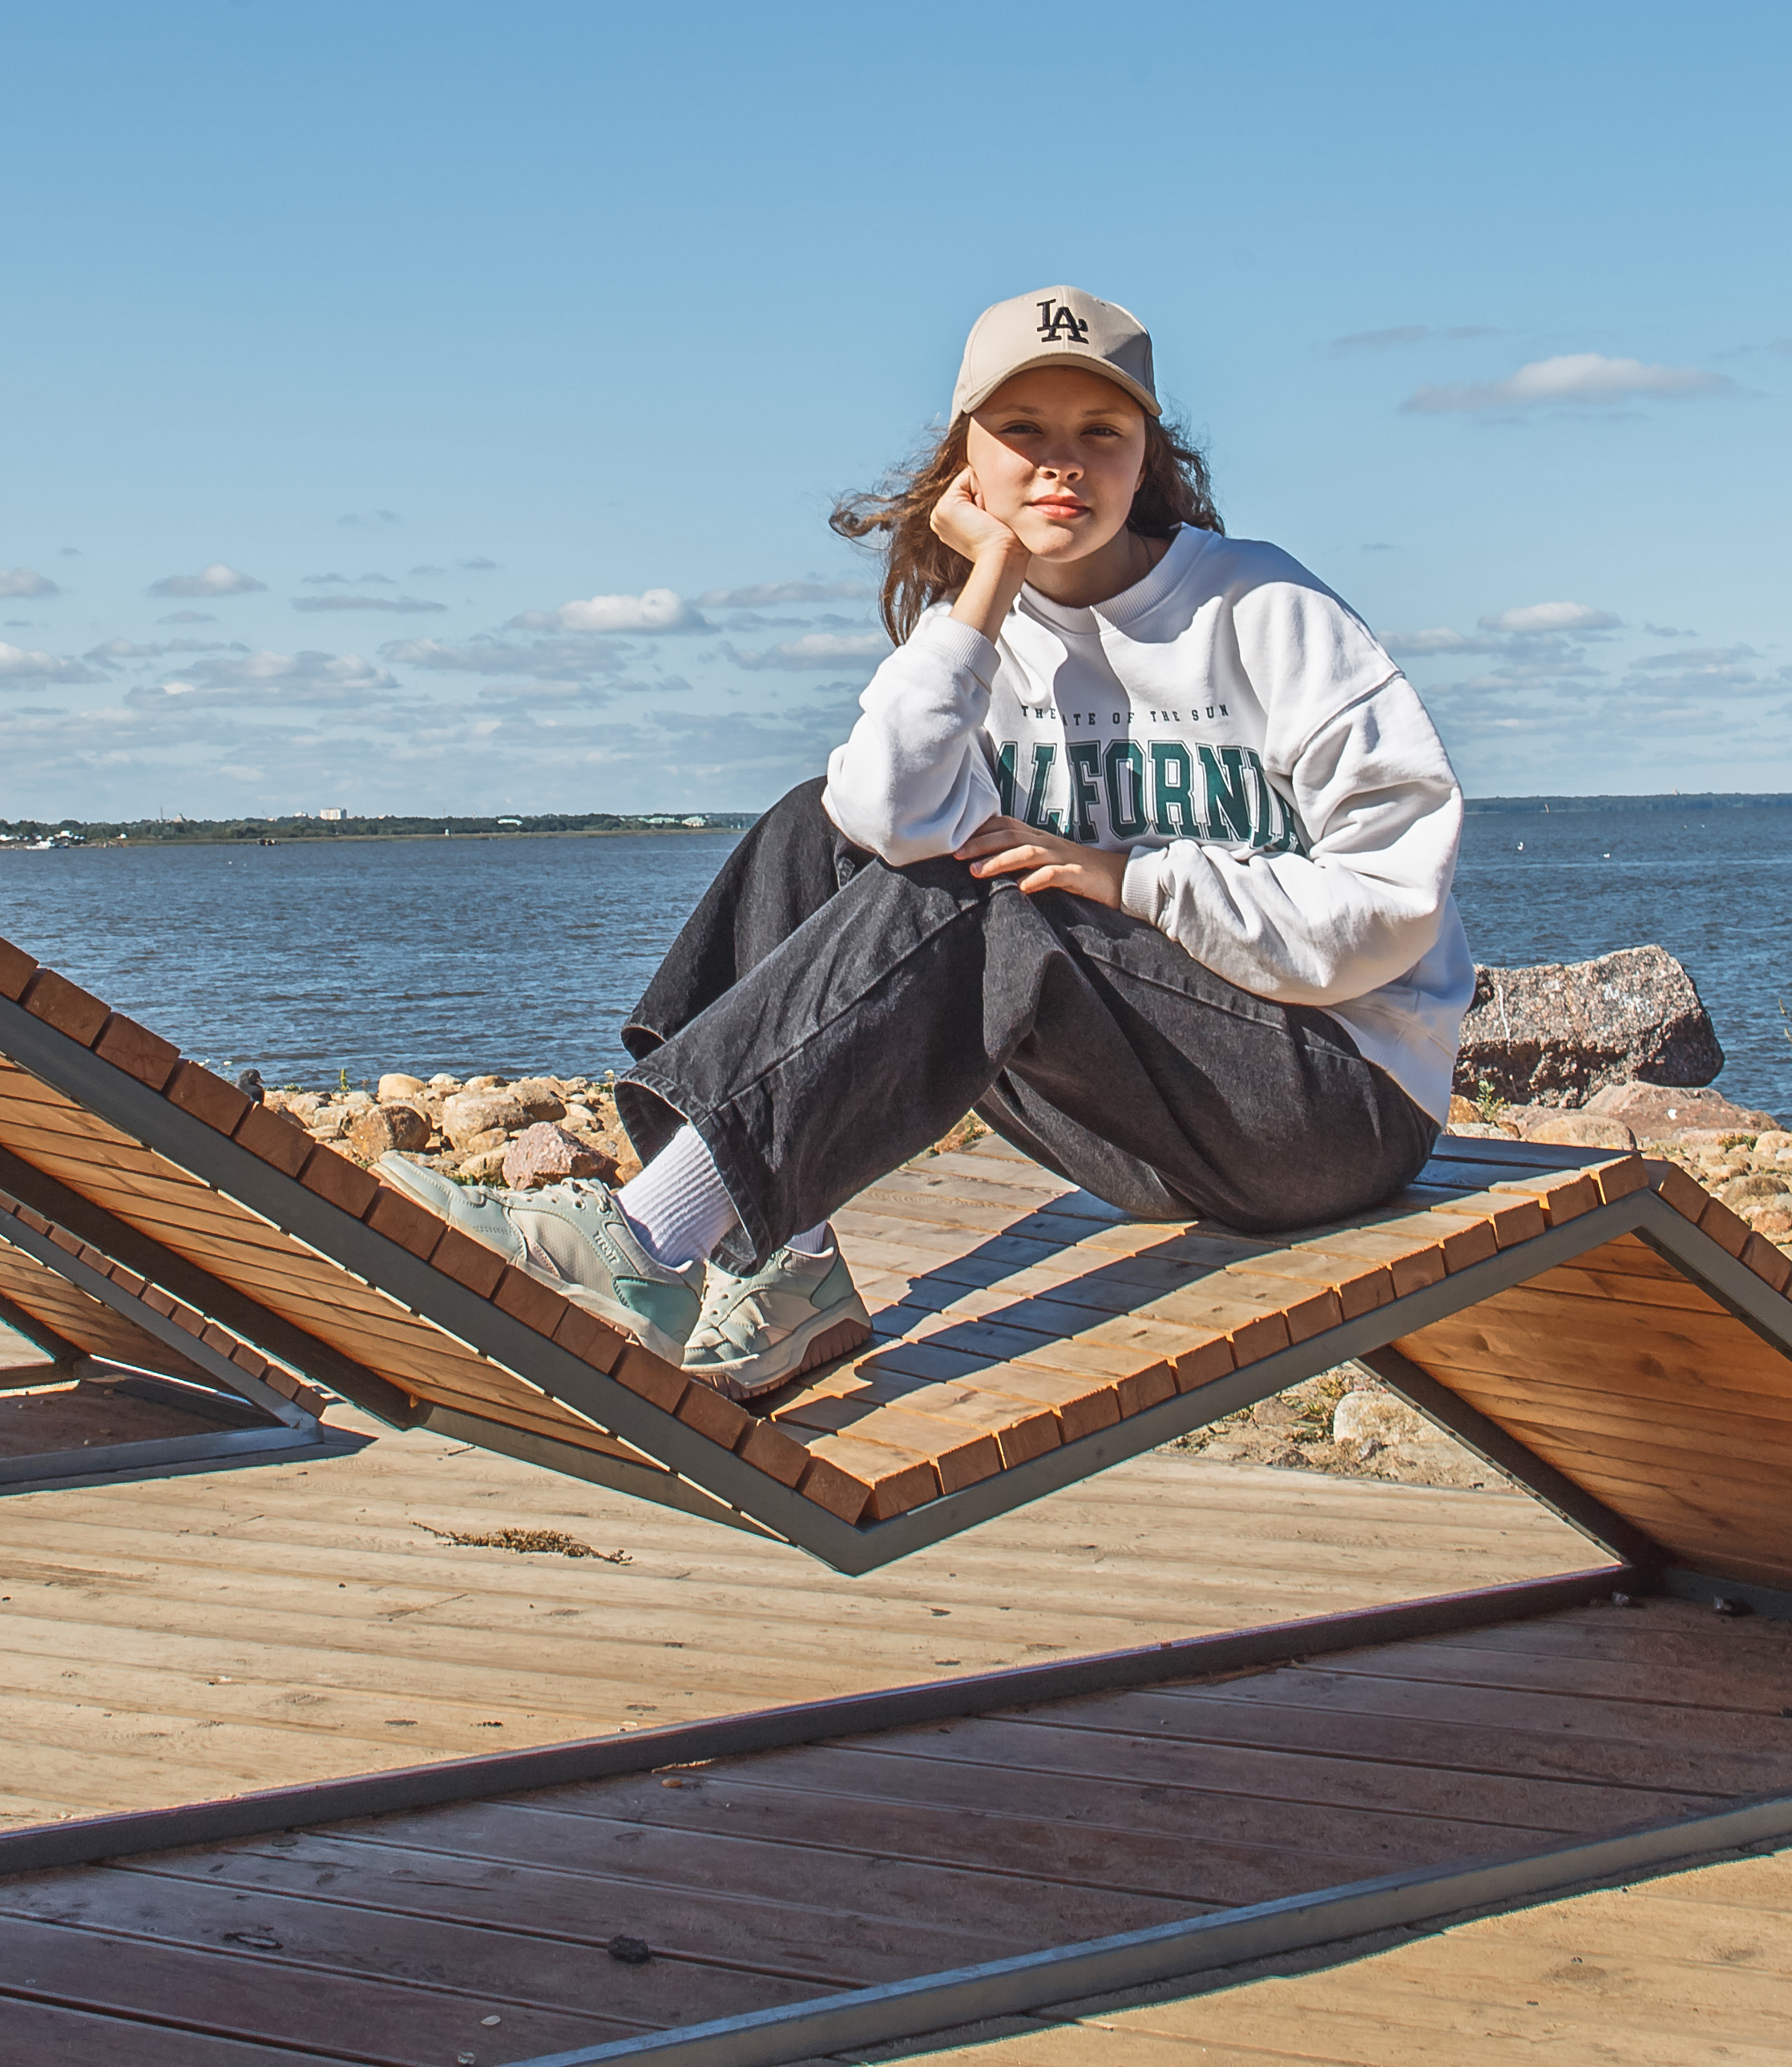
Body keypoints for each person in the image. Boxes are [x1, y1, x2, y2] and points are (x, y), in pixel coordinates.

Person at [382, 285, 1473, 1402]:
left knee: (997, 900)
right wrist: (987, 587)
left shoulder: (1261, 608)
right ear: (967, 461)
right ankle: (780, 1263)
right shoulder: (982, 631)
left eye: (1101, 432)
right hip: (1141, 1122)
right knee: (818, 822)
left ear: (1148, 454)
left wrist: (1132, 878)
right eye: (1024, 431)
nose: (1063, 465)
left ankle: (643, 1245)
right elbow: (882, 818)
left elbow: (1395, 904)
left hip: (1333, 1105)